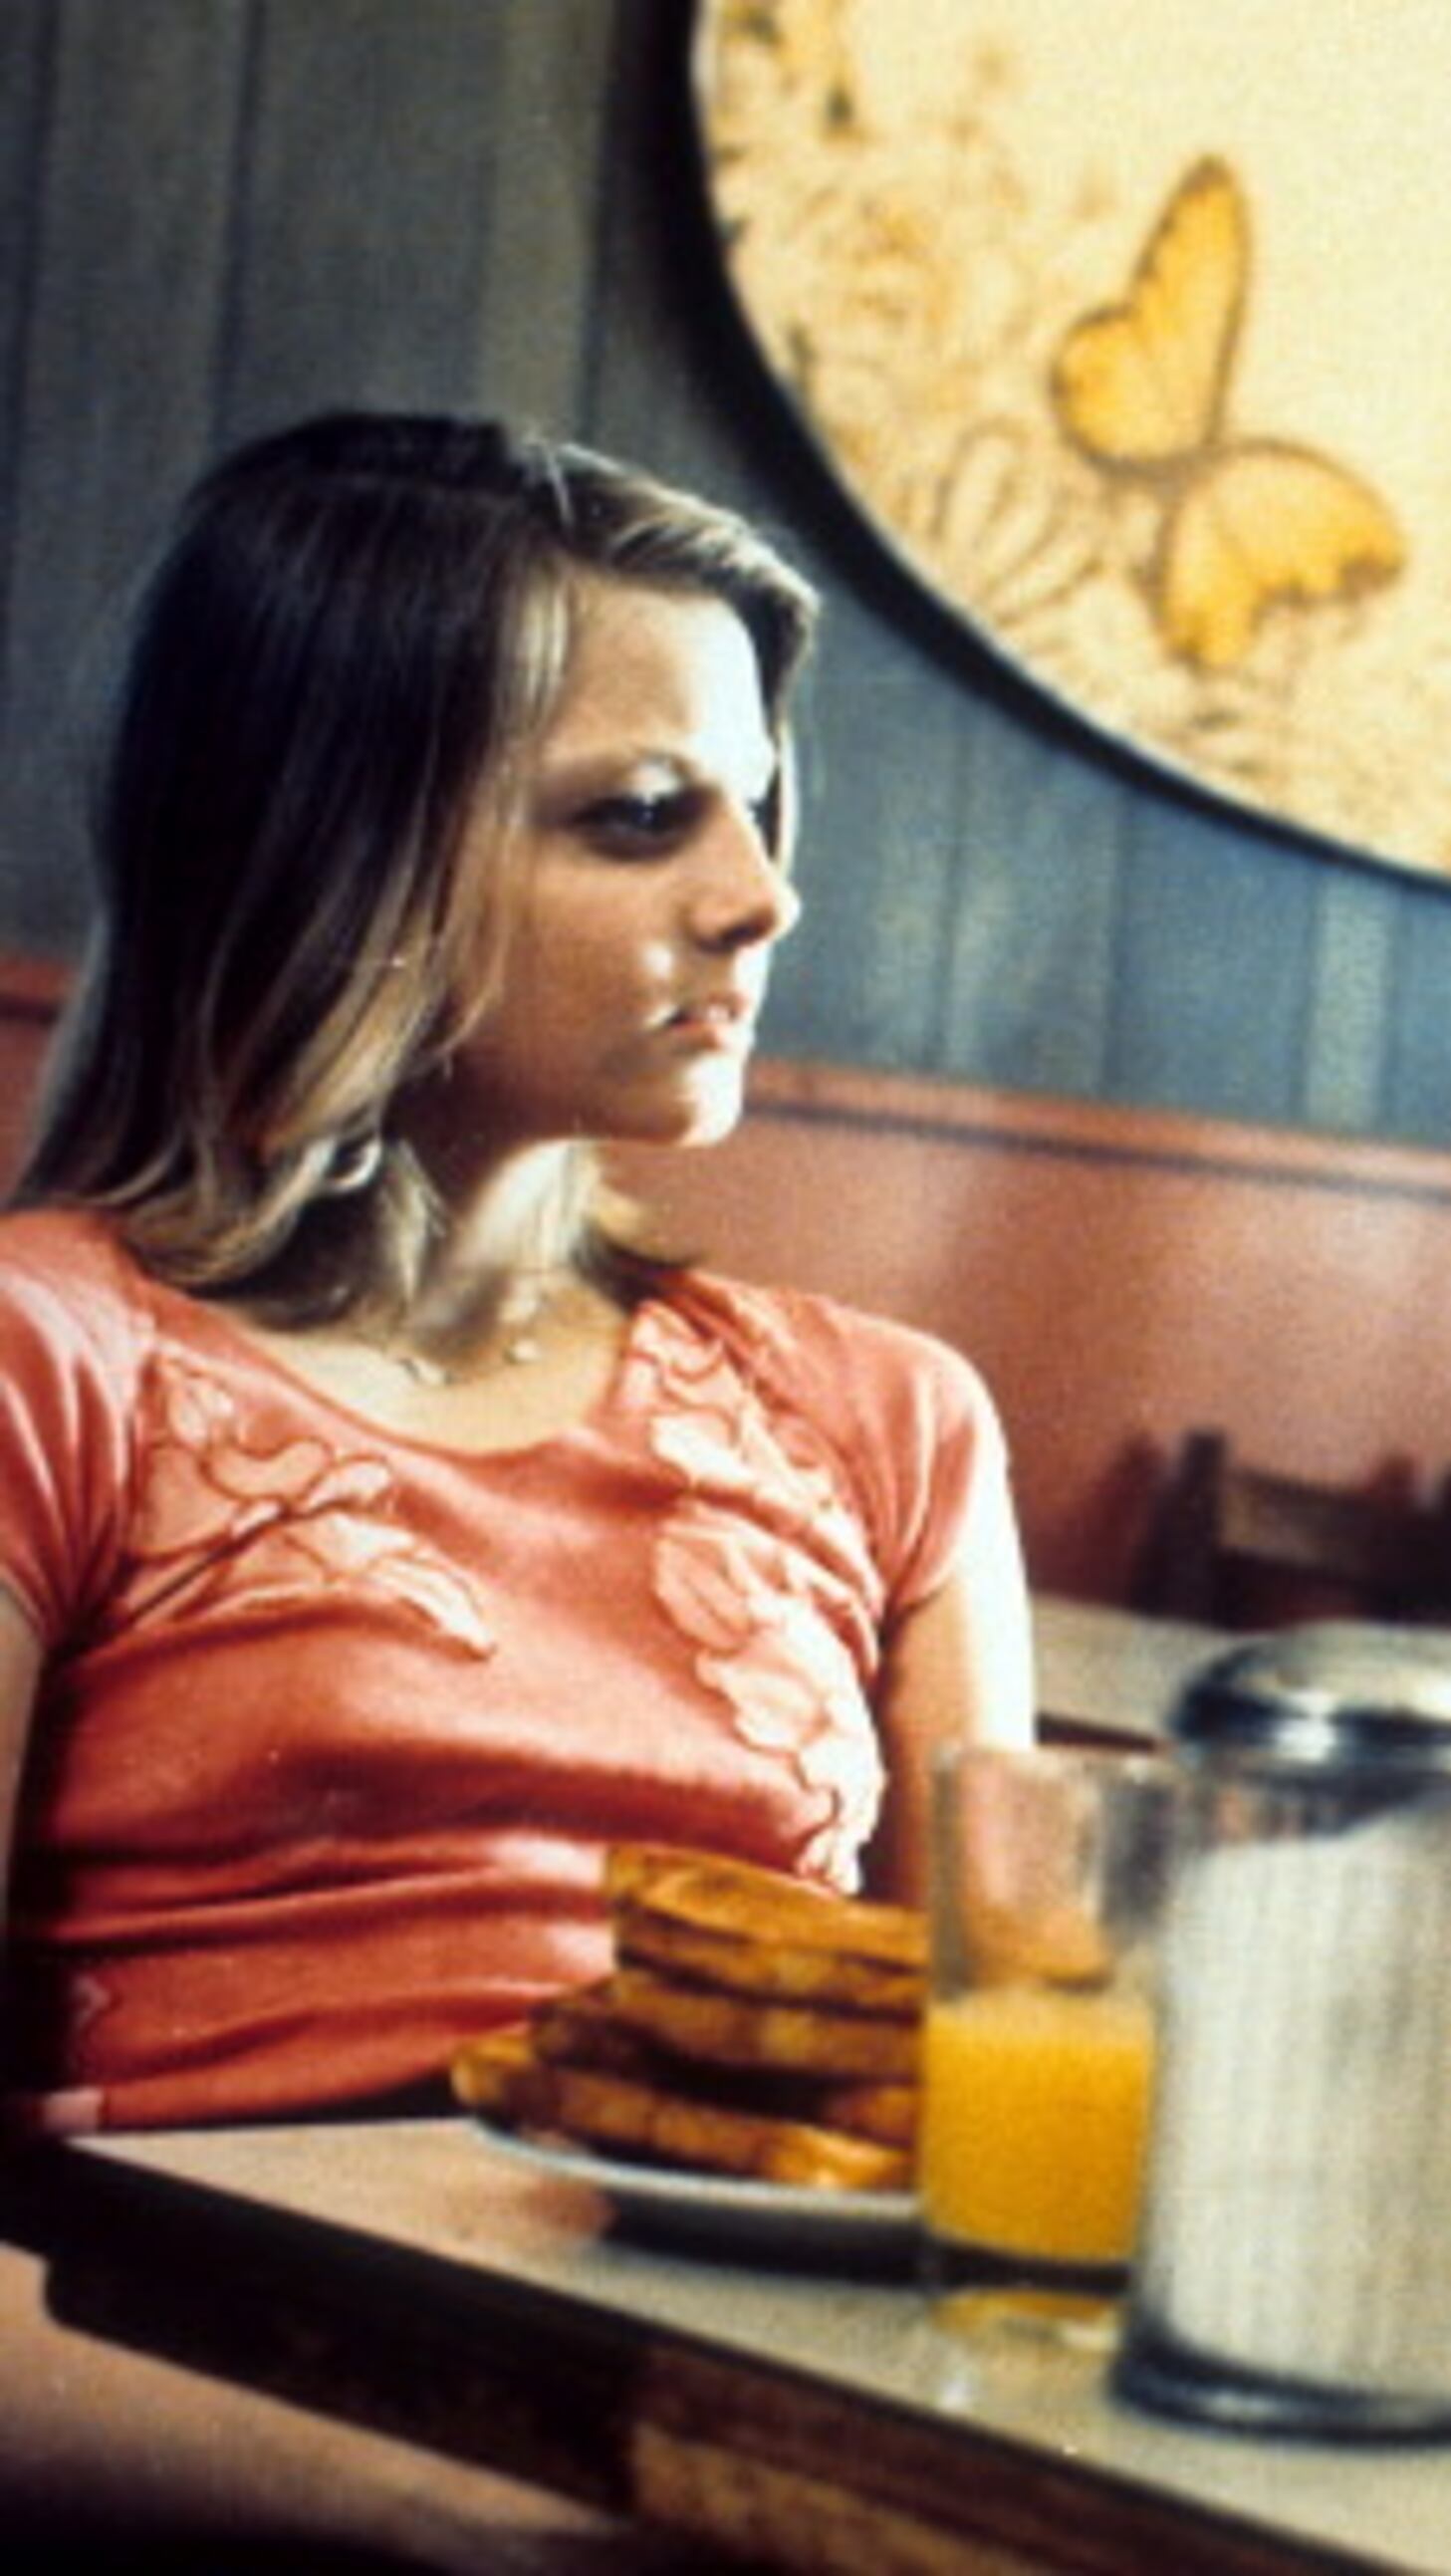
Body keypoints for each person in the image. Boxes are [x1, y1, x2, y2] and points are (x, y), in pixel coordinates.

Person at [0, 413, 1035, 2565]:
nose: (762, 897)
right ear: (331, 851)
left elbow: (1000, 2125)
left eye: (755, 807)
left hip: (768, 2417)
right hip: (211, 2439)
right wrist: (475, 2514)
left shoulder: (890, 1422)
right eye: (640, 819)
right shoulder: (51, 1361)